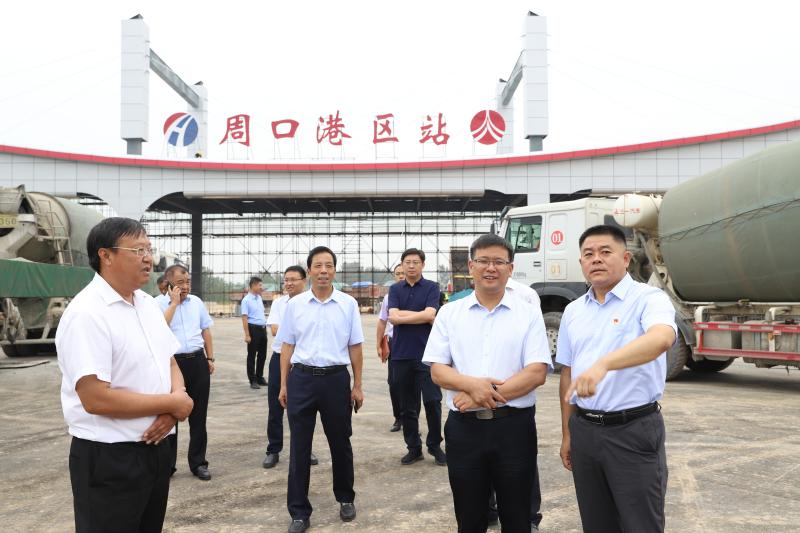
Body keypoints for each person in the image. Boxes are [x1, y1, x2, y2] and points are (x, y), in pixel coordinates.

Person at [55, 217, 194, 532]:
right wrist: (173, 404)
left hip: (157, 449)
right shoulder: (87, 314)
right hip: (110, 459)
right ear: (105, 255)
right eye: (138, 250)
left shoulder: (146, 305)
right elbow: (96, 398)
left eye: (149, 249)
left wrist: (173, 407)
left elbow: (169, 361)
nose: (149, 259)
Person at [423, 233, 551, 533]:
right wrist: (474, 387)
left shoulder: (528, 314)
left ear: (510, 268)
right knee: (469, 517)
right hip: (464, 430)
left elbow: (536, 372)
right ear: (471, 266)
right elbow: (438, 371)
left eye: (499, 262)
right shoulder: (450, 313)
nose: (490, 268)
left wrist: (480, 395)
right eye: (483, 261)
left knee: (518, 517)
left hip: (514, 429)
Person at [557, 225, 676, 533]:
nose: (596, 259)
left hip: (633, 430)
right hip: (585, 431)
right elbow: (568, 373)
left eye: (605, 252)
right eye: (588, 254)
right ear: (581, 262)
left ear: (625, 259)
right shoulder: (573, 311)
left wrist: (604, 364)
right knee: (597, 523)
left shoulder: (648, 299)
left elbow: (661, 338)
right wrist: (568, 433)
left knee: (640, 524)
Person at [277, 246, 364, 533]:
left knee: (340, 442)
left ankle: (345, 497)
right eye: (318, 265)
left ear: (334, 270)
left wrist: (357, 385)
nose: (323, 271)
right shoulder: (296, 305)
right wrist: (284, 384)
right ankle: (299, 512)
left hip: (336, 380)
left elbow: (355, 346)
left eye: (328, 265)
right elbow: (287, 345)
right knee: (299, 447)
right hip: (301, 379)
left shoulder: (348, 304)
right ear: (310, 271)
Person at [387, 248, 446, 466]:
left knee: (433, 401)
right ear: (402, 265)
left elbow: (431, 314)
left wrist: (403, 316)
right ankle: (414, 448)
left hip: (428, 355)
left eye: (415, 262)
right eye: (407, 262)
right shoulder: (395, 289)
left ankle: (435, 445)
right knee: (407, 406)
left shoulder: (432, 287)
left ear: (423, 265)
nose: (411, 266)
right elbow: (393, 316)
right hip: (401, 355)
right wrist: (421, 316)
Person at [160, 264, 215, 481]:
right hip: (173, 364)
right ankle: (167, 465)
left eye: (187, 282)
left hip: (198, 362)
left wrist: (210, 357)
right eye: (180, 283)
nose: (185, 286)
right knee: (170, 415)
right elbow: (159, 330)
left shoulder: (197, 303)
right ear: (168, 284)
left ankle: (198, 463)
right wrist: (174, 303)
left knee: (199, 416)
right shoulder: (156, 304)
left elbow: (205, 330)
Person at [262, 266, 318, 469]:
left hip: (302, 363)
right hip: (280, 359)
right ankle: (273, 449)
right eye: (286, 280)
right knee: (275, 407)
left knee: (303, 410)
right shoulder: (279, 303)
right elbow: (275, 330)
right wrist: (296, 331)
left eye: (293, 279)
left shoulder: (313, 303)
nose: (289, 283)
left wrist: (291, 331)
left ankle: (304, 449)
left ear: (305, 280)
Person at [376, 264, 405, 432]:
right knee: (394, 383)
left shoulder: (416, 294)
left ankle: (411, 419)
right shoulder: (389, 297)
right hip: (394, 343)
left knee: (411, 384)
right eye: (398, 273)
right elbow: (382, 322)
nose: (401, 276)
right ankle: (398, 418)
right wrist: (379, 344)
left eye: (403, 273)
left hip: (412, 343)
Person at [242, 276, 268, 389]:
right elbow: (244, 318)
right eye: (260, 285)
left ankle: (259, 377)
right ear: (253, 285)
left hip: (262, 329)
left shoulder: (259, 298)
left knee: (262, 355)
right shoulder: (246, 300)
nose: (262, 287)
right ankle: (252, 380)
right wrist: (247, 334)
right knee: (252, 356)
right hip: (253, 329)